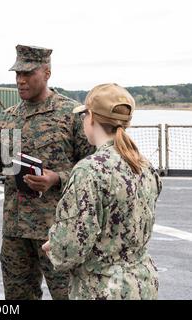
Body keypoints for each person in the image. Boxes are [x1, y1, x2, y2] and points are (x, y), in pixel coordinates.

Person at [0, 45, 94, 300]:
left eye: (28, 74)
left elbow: (92, 169)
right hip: (16, 231)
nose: (21, 80)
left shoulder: (72, 114)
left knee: (68, 294)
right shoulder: (9, 117)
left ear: (47, 72)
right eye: (17, 74)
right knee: (17, 297)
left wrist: (56, 178)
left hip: (58, 229)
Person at [42, 83, 162, 300]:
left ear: (91, 118)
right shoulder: (145, 165)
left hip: (101, 288)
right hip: (143, 285)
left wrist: (54, 244)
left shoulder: (89, 170)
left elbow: (70, 248)